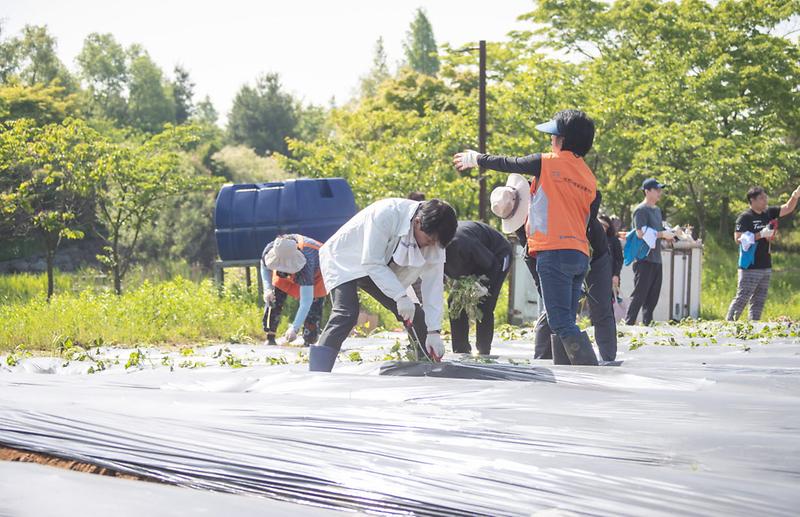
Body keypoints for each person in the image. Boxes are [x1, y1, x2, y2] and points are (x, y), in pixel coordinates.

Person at [454, 109, 599, 365]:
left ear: (563, 139)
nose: (550, 141)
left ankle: (589, 370)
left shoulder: (547, 162)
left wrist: (477, 158)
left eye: (554, 136)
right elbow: (590, 217)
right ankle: (570, 374)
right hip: (579, 254)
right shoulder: (589, 176)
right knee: (565, 319)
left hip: (553, 251)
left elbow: (509, 163)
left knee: (559, 321)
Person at [309, 198, 457, 372]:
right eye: (429, 240)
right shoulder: (387, 214)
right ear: (417, 222)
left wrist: (434, 331)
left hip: (381, 266)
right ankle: (318, 372)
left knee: (415, 315)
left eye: (435, 243)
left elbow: (433, 286)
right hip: (346, 257)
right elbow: (371, 261)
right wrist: (400, 296)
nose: (430, 245)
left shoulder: (435, 240)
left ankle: (428, 367)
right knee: (346, 313)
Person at [726, 185, 800, 321]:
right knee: (742, 297)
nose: (765, 200)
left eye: (765, 197)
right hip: (750, 265)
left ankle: (753, 326)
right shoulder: (745, 218)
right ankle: (728, 325)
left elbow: (788, 208)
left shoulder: (768, 213)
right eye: (761, 198)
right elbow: (738, 239)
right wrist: (760, 234)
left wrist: (795, 195)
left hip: (765, 264)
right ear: (752, 200)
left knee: (759, 301)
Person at [444, 220, 513, 355]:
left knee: (484, 303)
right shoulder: (433, 249)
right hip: (473, 263)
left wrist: (484, 287)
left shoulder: (464, 244)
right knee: (455, 302)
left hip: (497, 256)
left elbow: (492, 264)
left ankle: (483, 351)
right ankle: (461, 350)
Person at [624, 178, 676, 326]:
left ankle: (647, 326)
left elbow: (658, 232)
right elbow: (640, 233)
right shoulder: (640, 210)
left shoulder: (657, 210)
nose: (660, 192)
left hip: (656, 258)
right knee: (639, 294)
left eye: (660, 190)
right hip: (643, 259)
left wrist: (669, 235)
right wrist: (662, 235)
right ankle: (628, 325)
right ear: (647, 191)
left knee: (653, 296)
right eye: (656, 189)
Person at [260, 235, 326, 347]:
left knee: (313, 307)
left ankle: (309, 341)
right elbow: (264, 266)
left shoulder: (307, 262)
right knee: (273, 298)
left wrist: (294, 328)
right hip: (291, 265)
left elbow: (306, 302)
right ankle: (270, 337)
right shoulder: (272, 249)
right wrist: (267, 289)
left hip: (317, 274)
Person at [598, 214, 624, 296]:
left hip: (611, 277)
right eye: (599, 225)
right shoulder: (593, 240)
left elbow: (620, 259)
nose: (601, 227)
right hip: (596, 278)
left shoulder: (614, 240)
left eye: (604, 225)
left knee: (611, 304)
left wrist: (616, 275)